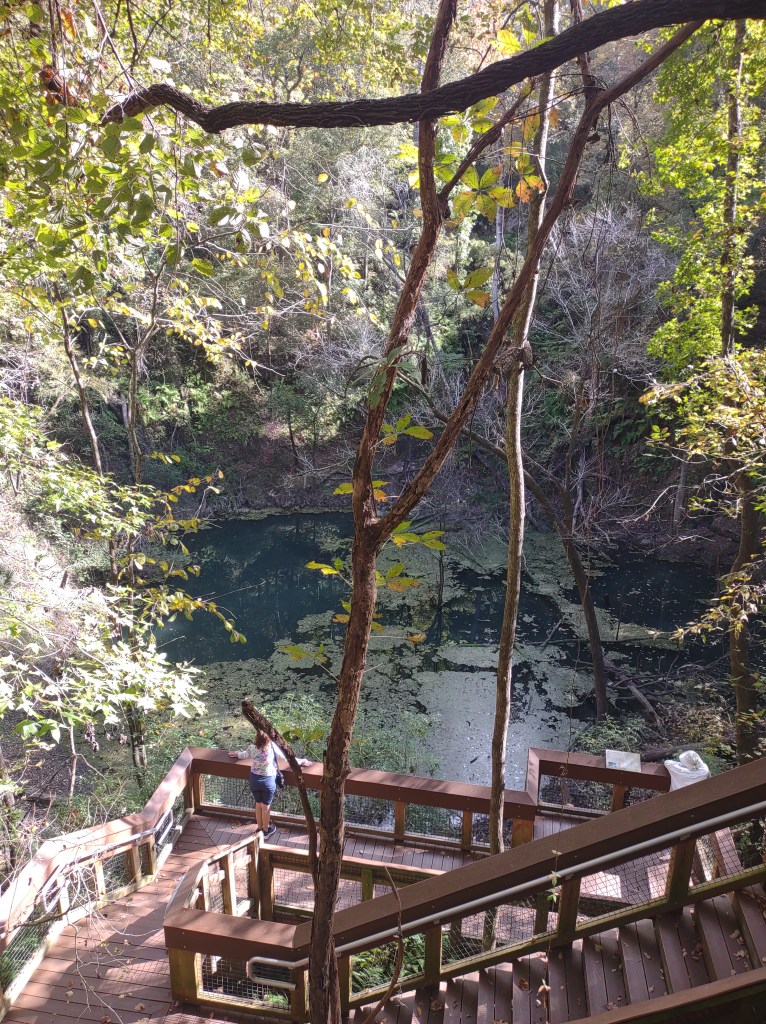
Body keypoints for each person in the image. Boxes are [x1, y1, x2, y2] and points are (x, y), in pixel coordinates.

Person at [229, 731, 284, 839]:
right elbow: (284, 756)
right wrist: (301, 762)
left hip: (254, 779)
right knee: (266, 807)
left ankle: (259, 828)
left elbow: (243, 755)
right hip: (268, 781)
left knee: (258, 804)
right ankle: (266, 831)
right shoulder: (271, 747)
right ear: (268, 739)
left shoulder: (252, 747)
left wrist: (236, 754)